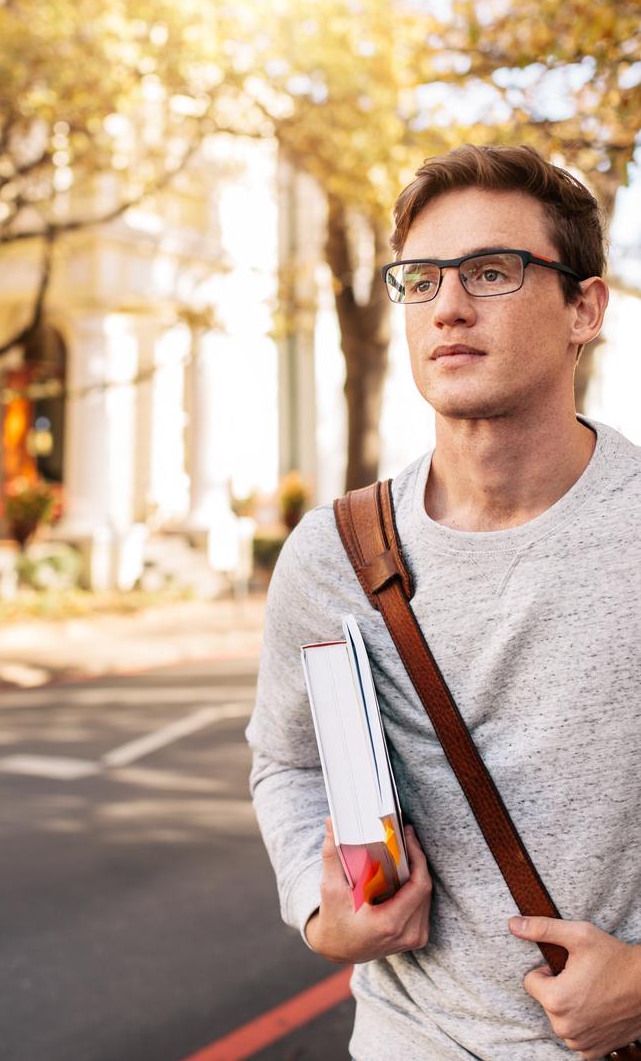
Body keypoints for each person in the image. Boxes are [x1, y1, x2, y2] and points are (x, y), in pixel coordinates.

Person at [246, 143, 641, 1060]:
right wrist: (321, 912)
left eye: (492, 272)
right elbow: (287, 763)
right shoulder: (333, 551)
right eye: (420, 280)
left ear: (583, 307)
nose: (448, 307)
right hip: (408, 1039)